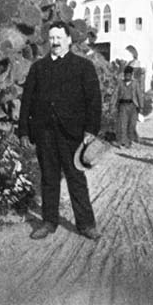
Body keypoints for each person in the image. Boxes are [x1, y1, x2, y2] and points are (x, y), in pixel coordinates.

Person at [18, 21, 102, 240]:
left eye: (59, 38)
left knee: (76, 178)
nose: (55, 42)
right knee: (48, 178)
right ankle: (48, 222)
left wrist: (91, 130)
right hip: (44, 132)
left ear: (68, 40)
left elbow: (94, 101)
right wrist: (24, 131)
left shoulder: (83, 66)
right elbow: (27, 101)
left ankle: (86, 224)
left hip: (72, 133)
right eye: (52, 38)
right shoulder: (38, 68)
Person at [110, 65, 144, 148]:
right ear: (124, 75)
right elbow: (115, 95)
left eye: (129, 74)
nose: (127, 76)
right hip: (123, 106)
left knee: (132, 125)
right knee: (123, 124)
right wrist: (112, 105)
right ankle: (123, 142)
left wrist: (141, 106)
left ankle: (130, 141)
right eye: (126, 74)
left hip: (133, 106)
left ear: (132, 75)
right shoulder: (120, 83)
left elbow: (139, 95)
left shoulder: (135, 83)